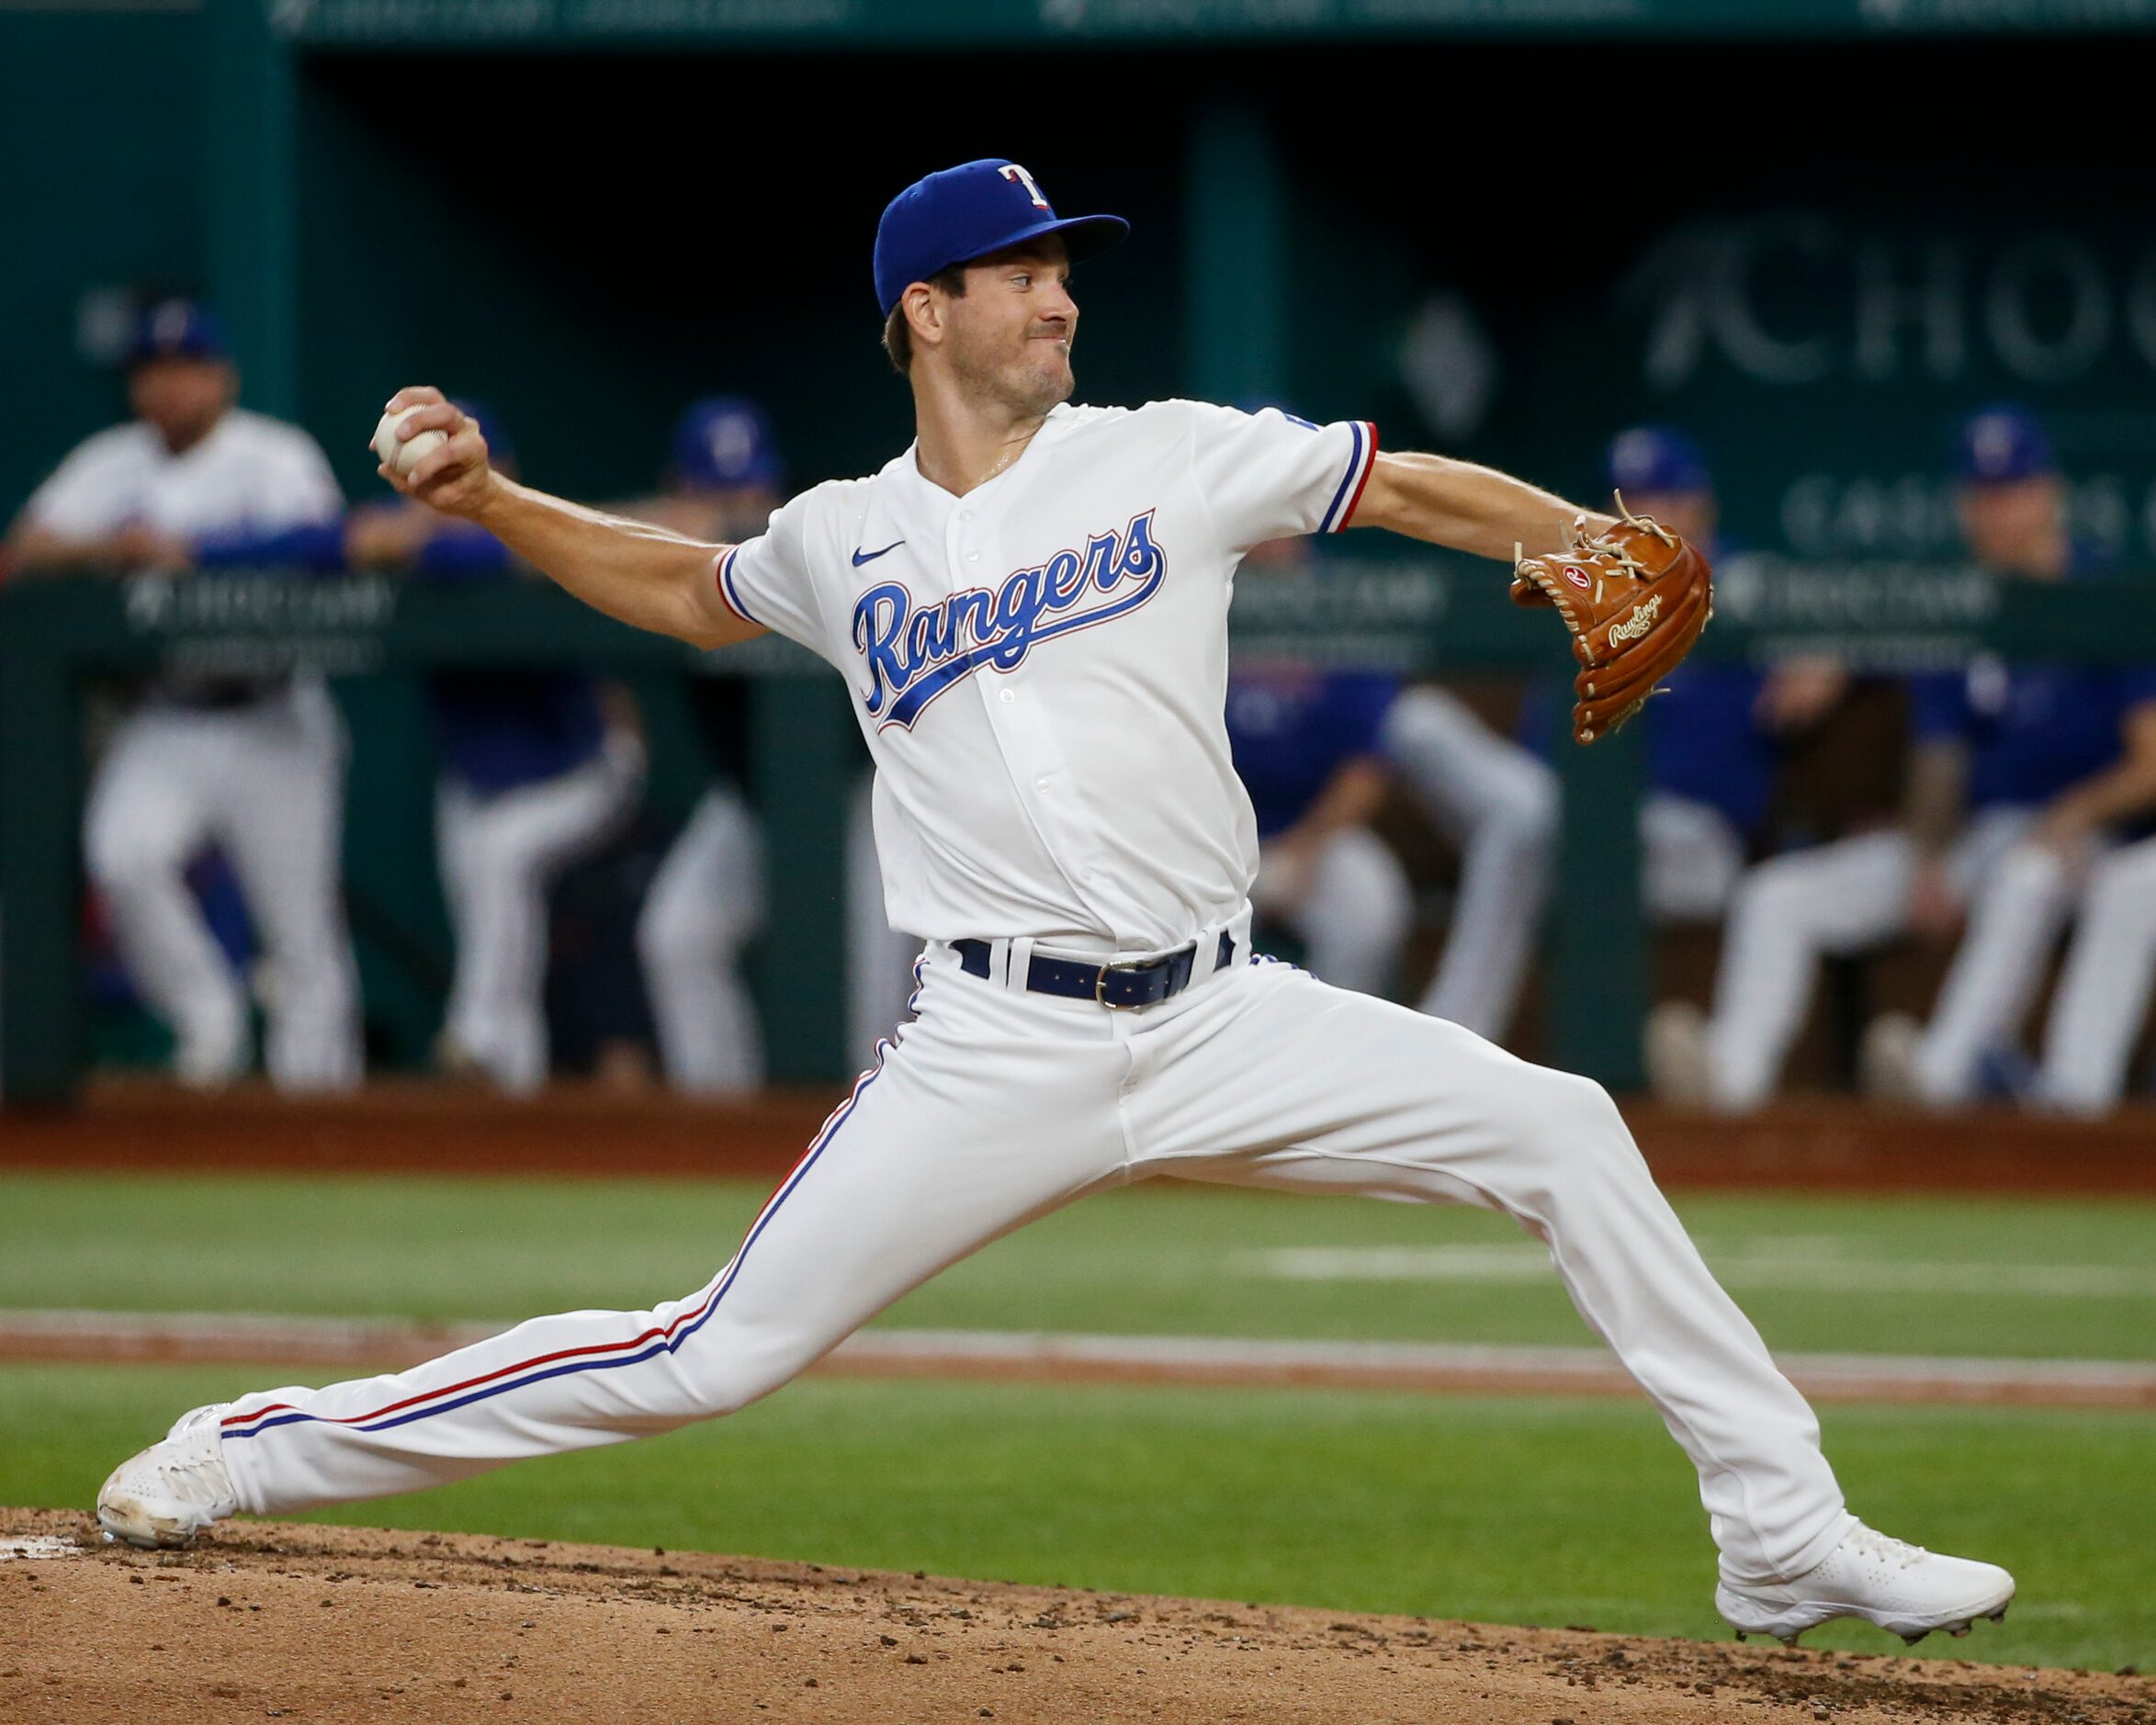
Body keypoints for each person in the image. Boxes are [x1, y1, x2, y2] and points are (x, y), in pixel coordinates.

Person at [97, 161, 2013, 1650]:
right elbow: (688, 595)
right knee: (708, 1355)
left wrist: (1577, 541)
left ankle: (1778, 1533)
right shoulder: (843, 536)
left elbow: (1400, 480)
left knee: (1566, 1131)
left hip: (1221, 1014)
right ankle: (255, 1449)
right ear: (926, 310)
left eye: (1062, 268)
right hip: (994, 1041)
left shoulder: (1162, 454)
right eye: (1024, 272)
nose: (1060, 293)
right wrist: (501, 501)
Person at [1669, 408, 2156, 1111]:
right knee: (1777, 897)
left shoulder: (2101, 596)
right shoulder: (1960, 600)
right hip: (1978, 837)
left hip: (2095, 844)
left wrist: (2072, 813)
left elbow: (2149, 762)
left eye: (2014, 490)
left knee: (2027, 874)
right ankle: (1730, 1079)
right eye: (1983, 496)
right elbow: (1939, 751)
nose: (1999, 513)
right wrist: (1927, 858)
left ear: (2049, 493)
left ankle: (1946, 1072)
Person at [3, 300, 361, 1091]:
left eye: (186, 369)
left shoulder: (272, 456)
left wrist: (197, 554)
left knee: (300, 932)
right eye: (152, 371)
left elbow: (325, 546)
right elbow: (25, 547)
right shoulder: (111, 462)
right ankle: (208, 1018)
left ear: (222, 379)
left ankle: (325, 1105)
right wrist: (113, 547)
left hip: (273, 715)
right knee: (122, 856)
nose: (168, 388)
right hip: (168, 715)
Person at [347, 404, 644, 1094]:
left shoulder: (531, 526)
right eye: (433, 474)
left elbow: (476, 548)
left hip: (581, 766)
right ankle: (513, 1081)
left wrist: (417, 535)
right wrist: (401, 531)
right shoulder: (415, 530)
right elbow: (339, 543)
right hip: (480, 780)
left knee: (502, 856)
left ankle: (477, 1037)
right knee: (490, 894)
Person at [1228, 660, 1413, 998]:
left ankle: (1346, 1043)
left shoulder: (1346, 640)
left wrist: (1303, 849)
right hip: (1212, 832)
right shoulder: (1197, 618)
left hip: (1313, 832)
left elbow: (1365, 770)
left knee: (1368, 904)